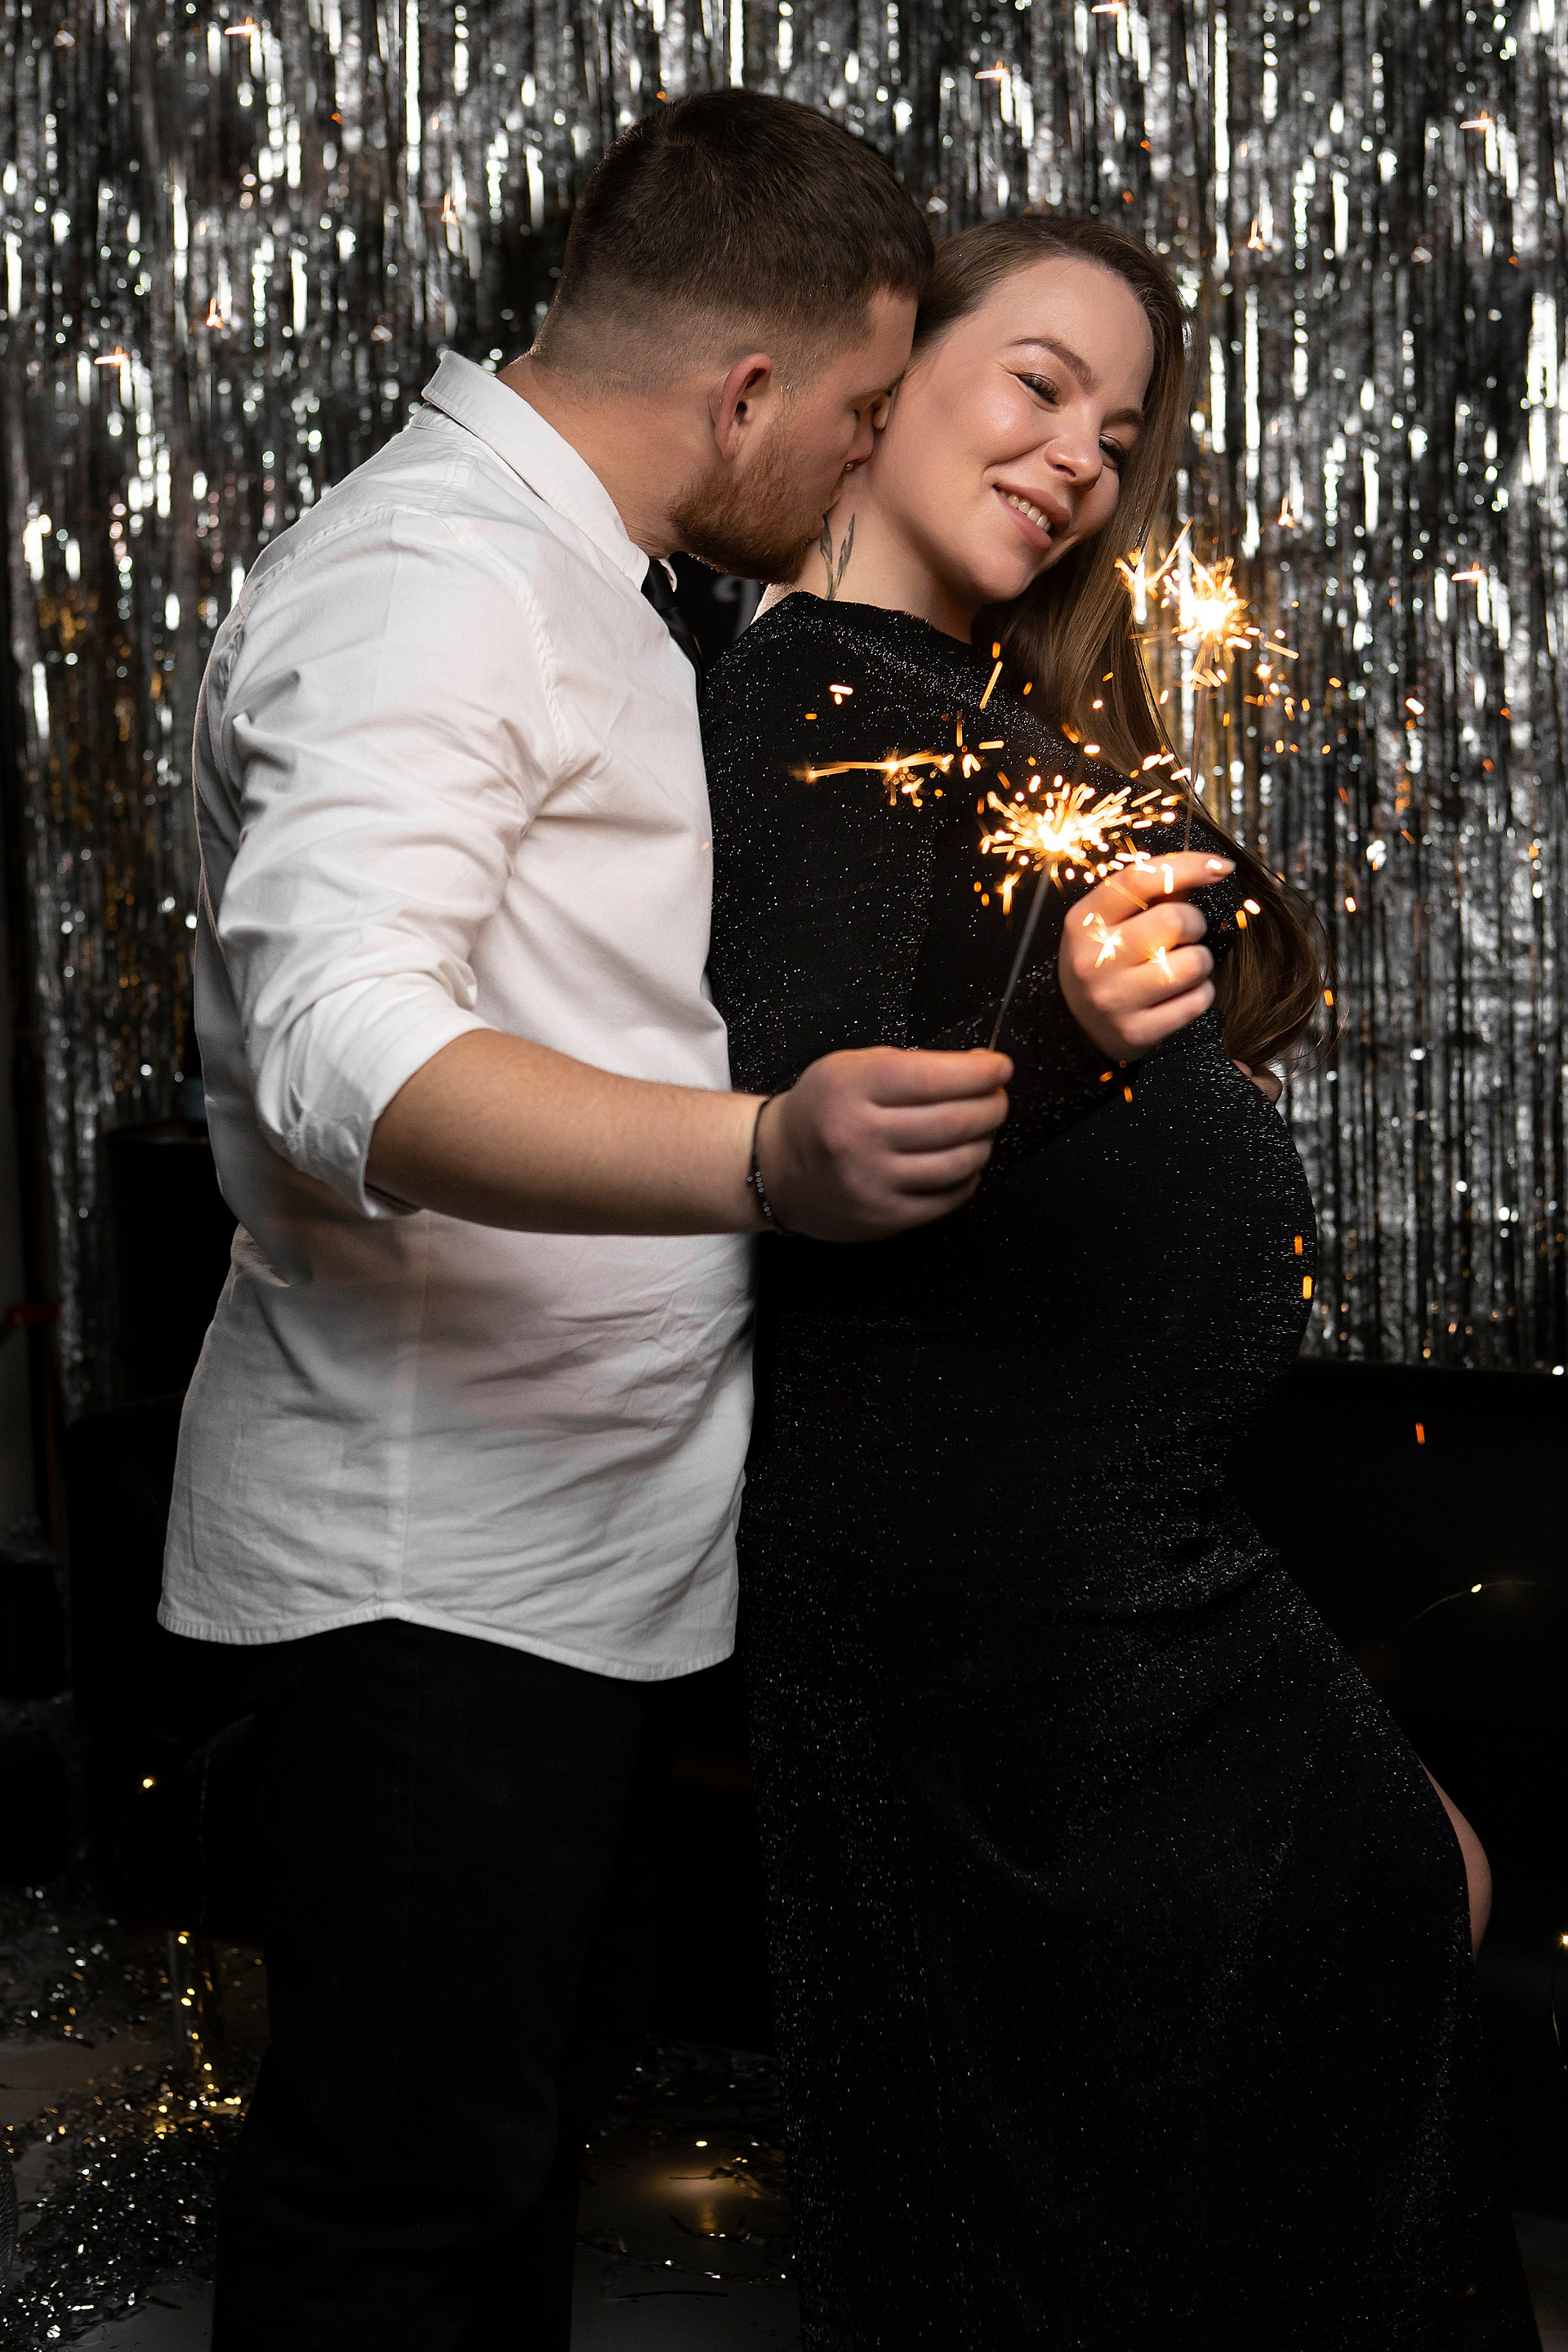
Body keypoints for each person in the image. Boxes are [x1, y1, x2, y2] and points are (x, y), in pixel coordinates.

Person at [159, 91, 1013, 2351]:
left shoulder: (589, 581)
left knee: (499, 2163)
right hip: (431, 1573)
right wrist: (764, 1161)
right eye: (857, 415)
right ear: (747, 391)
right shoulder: (432, 582)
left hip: (575, 1560)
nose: (861, 462)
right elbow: (349, 1049)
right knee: (400, 2204)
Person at [704, 212, 1539, 2350]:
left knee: (1306, 1986)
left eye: (1123, 425)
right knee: (1092, 2132)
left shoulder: (960, 702)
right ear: (885, 380)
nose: (1083, 452)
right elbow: (816, 1109)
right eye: (1039, 383)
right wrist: (1073, 1039)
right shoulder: (814, 697)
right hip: (990, 1551)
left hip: (1102, 1538)